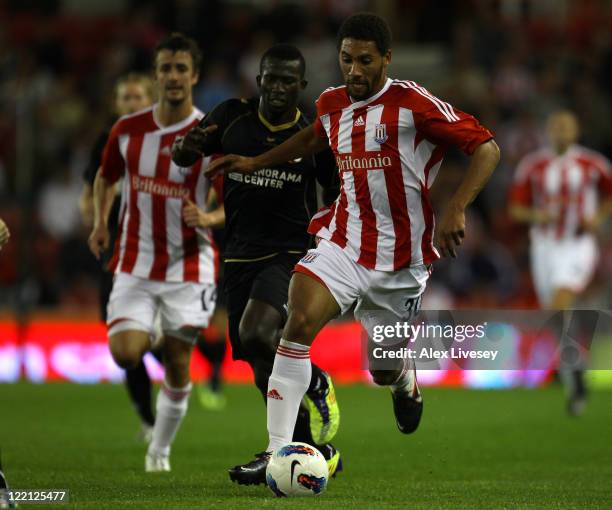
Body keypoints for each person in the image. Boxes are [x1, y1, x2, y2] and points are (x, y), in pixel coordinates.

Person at [205, 12, 500, 482]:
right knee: (296, 322)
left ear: (386, 59)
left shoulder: (412, 104)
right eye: (347, 60)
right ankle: (277, 452)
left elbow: (487, 147)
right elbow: (313, 137)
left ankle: (403, 377)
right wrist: (256, 160)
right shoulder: (331, 102)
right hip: (343, 240)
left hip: (401, 260)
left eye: (365, 60)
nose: (355, 71)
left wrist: (458, 207)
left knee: (381, 368)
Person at [172, 44, 342, 484]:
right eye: (271, 78)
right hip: (239, 252)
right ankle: (307, 451)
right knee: (257, 358)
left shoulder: (312, 132)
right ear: (259, 79)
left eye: (289, 80)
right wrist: (185, 146)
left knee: (256, 332)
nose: (279, 87)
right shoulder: (231, 117)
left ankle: (316, 379)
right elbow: (184, 157)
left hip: (288, 253)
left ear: (301, 86)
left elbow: (334, 192)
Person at [88, 33, 223, 472]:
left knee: (180, 363)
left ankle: (159, 451)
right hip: (134, 262)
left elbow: (229, 203)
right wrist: (98, 223)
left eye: (181, 68)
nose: (173, 76)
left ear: (194, 75)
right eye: (165, 68)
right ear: (156, 75)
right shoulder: (128, 131)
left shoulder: (209, 137)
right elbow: (105, 177)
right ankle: (160, 334)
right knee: (126, 352)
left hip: (188, 265)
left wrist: (208, 218)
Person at [509, 110, 612, 415]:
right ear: (548, 130)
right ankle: (574, 372)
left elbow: (609, 196)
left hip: (577, 244)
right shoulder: (533, 166)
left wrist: (598, 218)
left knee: (560, 302)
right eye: (556, 126)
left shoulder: (594, 164)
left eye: (566, 125)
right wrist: (538, 216)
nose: (561, 131)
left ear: (577, 130)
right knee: (555, 316)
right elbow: (516, 209)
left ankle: (575, 368)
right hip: (544, 247)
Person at [79, 73, 160, 442]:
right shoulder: (107, 142)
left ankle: (197, 371)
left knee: (160, 337)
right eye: (124, 98)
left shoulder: (166, 139)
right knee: (124, 343)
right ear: (116, 104)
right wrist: (96, 222)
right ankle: (148, 417)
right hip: (118, 252)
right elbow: (90, 190)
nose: (130, 103)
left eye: (137, 97)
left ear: (150, 100)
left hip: (162, 253)